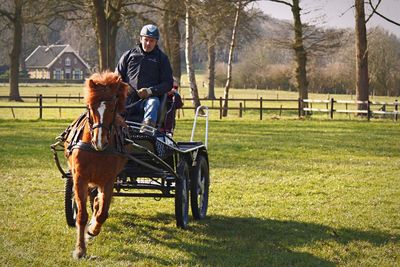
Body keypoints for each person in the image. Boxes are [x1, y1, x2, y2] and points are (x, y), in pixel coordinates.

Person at [115, 24, 173, 129]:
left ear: (156, 42)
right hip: (127, 99)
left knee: (153, 102)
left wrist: (149, 91)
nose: (148, 43)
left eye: (152, 41)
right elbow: (116, 77)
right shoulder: (128, 55)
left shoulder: (162, 59)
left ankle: (147, 132)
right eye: (146, 40)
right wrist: (125, 87)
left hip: (149, 100)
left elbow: (168, 84)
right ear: (140, 39)